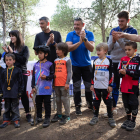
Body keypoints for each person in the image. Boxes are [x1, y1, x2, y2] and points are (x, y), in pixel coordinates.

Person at [107, 11, 137, 114]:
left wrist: (119, 40)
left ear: (128, 20)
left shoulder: (132, 31)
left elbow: (128, 48)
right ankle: (113, 107)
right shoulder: (114, 30)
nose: (120, 23)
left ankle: (129, 109)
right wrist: (113, 41)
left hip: (127, 62)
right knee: (114, 85)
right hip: (114, 61)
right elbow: (108, 48)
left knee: (128, 86)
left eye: (122, 21)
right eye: (119, 21)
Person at [66, 17, 95, 115]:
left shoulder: (89, 34)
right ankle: (78, 106)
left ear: (83, 24)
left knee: (88, 86)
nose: (76, 26)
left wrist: (85, 39)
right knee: (76, 86)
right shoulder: (70, 34)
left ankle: (90, 104)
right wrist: (79, 42)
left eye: (78, 24)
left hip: (87, 65)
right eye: (74, 24)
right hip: (75, 66)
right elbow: (68, 48)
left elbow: (91, 48)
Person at [2, 30, 31, 122]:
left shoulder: (24, 48)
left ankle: (27, 113)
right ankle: (11, 115)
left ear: (18, 37)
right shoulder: (9, 47)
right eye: (10, 36)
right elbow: (6, 62)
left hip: (22, 73)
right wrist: (7, 53)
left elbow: (24, 60)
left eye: (13, 36)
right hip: (11, 73)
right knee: (10, 93)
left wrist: (13, 53)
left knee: (22, 93)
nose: (11, 38)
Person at [89, 43, 116, 128]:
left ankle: (110, 117)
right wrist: (92, 84)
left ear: (105, 51)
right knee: (96, 102)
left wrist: (111, 85)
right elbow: (92, 74)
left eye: (99, 50)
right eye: (97, 50)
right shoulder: (95, 61)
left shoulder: (109, 61)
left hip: (106, 87)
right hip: (96, 86)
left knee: (108, 102)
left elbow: (112, 74)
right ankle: (95, 116)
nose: (97, 52)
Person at [118, 41, 140, 131]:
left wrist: (126, 72)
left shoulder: (138, 59)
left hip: (133, 86)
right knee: (126, 103)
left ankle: (133, 121)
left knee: (133, 104)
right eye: (125, 50)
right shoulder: (123, 59)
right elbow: (119, 71)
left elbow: (138, 74)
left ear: (135, 50)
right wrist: (120, 72)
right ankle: (128, 119)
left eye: (129, 50)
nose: (127, 51)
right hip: (124, 86)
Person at [31, 45, 54, 128]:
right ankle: (39, 117)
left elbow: (52, 75)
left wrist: (46, 77)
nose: (39, 55)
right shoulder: (35, 65)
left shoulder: (50, 64)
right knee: (38, 103)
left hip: (47, 88)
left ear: (46, 54)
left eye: (41, 53)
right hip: (38, 89)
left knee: (47, 103)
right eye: (38, 53)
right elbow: (33, 77)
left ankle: (47, 118)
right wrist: (33, 86)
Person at [0, 53, 24, 128]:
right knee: (7, 106)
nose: (8, 61)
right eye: (6, 60)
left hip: (14, 92)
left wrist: (20, 91)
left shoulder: (18, 70)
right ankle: (6, 120)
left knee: (14, 106)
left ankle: (16, 119)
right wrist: (1, 91)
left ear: (14, 60)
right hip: (6, 92)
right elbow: (1, 82)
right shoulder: (3, 71)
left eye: (10, 60)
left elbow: (21, 82)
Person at [51, 42, 72, 125]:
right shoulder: (55, 60)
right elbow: (54, 72)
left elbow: (70, 72)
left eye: (58, 49)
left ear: (63, 51)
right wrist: (53, 83)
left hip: (64, 84)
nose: (57, 51)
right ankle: (59, 114)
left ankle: (67, 115)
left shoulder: (67, 59)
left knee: (65, 99)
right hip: (56, 83)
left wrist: (67, 82)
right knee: (58, 99)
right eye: (56, 49)